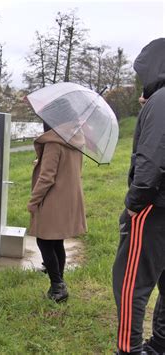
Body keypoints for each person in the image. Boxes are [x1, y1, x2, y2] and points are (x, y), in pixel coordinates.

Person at [112, 38, 165, 355]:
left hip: (154, 207)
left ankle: (128, 349)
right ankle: (159, 344)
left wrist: (134, 203)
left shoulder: (161, 102)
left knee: (131, 281)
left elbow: (152, 159)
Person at [27, 120, 87, 303]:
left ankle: (57, 285)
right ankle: (59, 284)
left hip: (53, 199)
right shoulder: (75, 139)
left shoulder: (53, 142)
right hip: (69, 198)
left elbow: (47, 177)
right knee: (56, 241)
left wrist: (33, 201)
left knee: (44, 241)